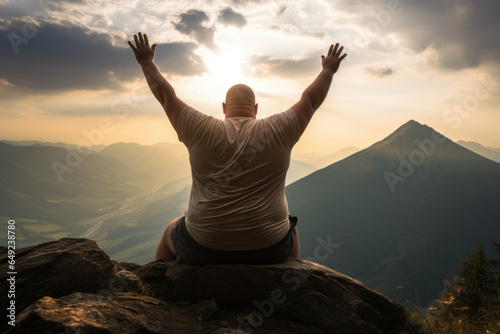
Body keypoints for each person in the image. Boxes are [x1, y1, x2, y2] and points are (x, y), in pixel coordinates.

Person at [128, 32, 347, 265]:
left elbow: (166, 95)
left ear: (223, 107)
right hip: (270, 248)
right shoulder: (280, 129)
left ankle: (159, 287)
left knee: (169, 229)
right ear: (256, 108)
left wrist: (146, 62)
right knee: (290, 225)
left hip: (201, 246)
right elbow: (311, 99)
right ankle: (285, 278)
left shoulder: (199, 128)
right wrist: (328, 70)